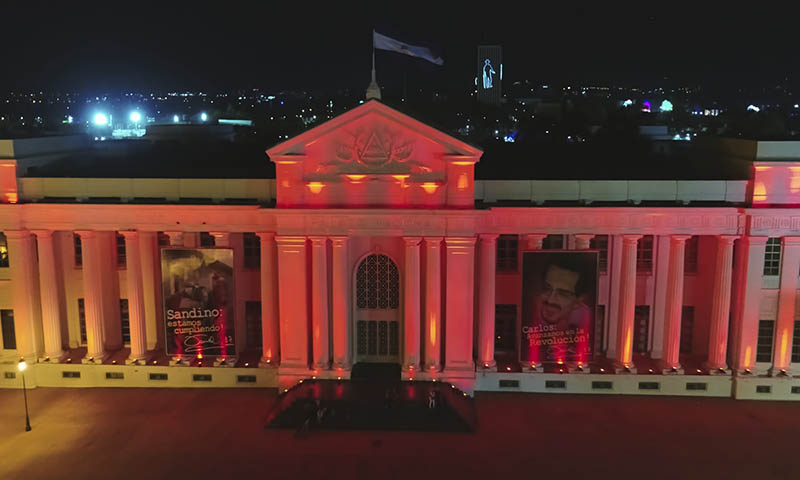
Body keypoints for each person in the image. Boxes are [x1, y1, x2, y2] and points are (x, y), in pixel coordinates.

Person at [526, 255, 593, 364]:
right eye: (547, 288)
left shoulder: (584, 316)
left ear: (578, 301)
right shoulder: (534, 308)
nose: (551, 300)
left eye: (563, 293)